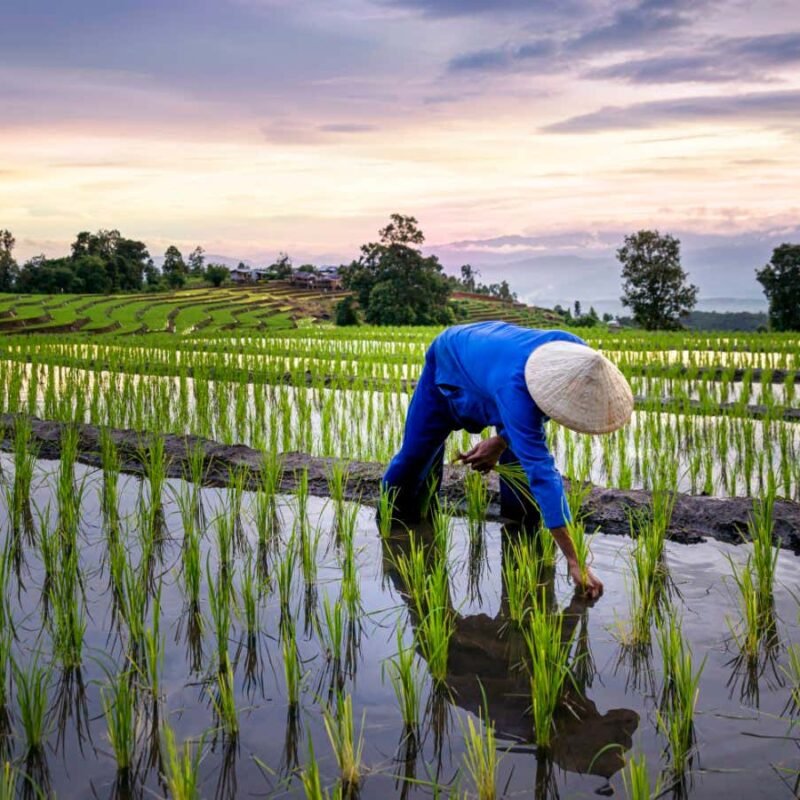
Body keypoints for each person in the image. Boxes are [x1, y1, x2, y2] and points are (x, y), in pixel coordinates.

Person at [382, 321, 634, 599]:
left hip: (495, 369)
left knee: (520, 469)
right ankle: (394, 522)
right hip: (450, 360)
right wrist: (576, 561)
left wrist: (500, 441)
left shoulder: (576, 356)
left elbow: (538, 410)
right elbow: (543, 473)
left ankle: (521, 530)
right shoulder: (515, 391)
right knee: (414, 460)